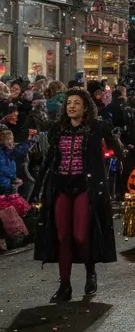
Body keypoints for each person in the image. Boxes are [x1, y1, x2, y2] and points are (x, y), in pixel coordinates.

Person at [33, 88, 118, 301]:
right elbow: (49, 161)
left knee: (81, 236)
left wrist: (109, 159)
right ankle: (65, 286)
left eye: (76, 103)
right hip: (61, 186)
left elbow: (116, 148)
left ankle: (90, 272)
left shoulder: (97, 127)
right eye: (69, 103)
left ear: (86, 106)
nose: (71, 106)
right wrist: (37, 190)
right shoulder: (58, 129)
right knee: (63, 237)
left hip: (85, 187)